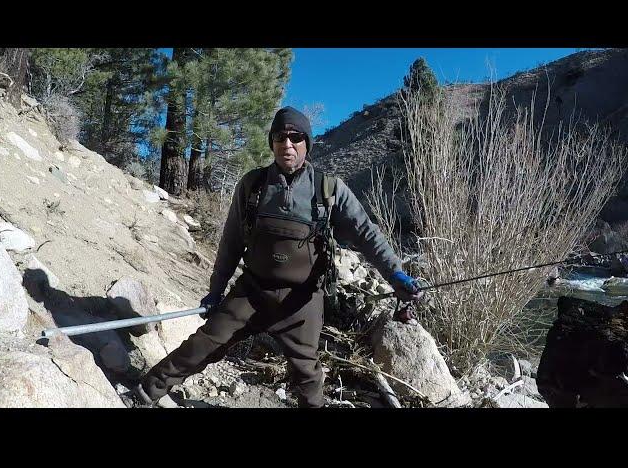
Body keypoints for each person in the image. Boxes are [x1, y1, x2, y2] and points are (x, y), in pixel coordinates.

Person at [122, 106, 421, 408]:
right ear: (272, 142)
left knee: (307, 375)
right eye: (280, 136)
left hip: (302, 302)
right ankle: (146, 394)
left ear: (307, 143)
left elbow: (367, 234)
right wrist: (215, 291)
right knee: (204, 343)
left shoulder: (329, 189)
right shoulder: (253, 185)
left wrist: (395, 274)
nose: (287, 144)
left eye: (295, 137)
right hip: (252, 292)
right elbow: (231, 244)